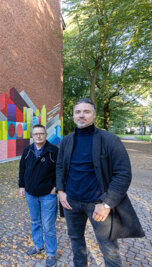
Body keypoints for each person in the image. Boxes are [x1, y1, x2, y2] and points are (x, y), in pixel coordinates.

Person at [56, 98, 145, 267]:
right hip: (71, 203)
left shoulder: (110, 140)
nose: (82, 115)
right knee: (76, 241)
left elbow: (123, 174)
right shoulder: (67, 140)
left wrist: (106, 204)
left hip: (98, 204)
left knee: (108, 247)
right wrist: (60, 191)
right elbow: (60, 166)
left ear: (94, 115)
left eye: (86, 112)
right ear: (73, 116)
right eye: (78, 112)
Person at [19, 124, 59, 267]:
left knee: (48, 225)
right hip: (31, 194)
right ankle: (38, 246)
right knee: (35, 222)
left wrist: (55, 188)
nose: (38, 136)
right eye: (35, 134)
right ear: (32, 135)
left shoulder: (53, 151)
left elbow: (60, 171)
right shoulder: (27, 150)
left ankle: (51, 253)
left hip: (48, 195)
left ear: (46, 134)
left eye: (41, 133)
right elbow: (22, 169)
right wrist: (22, 186)